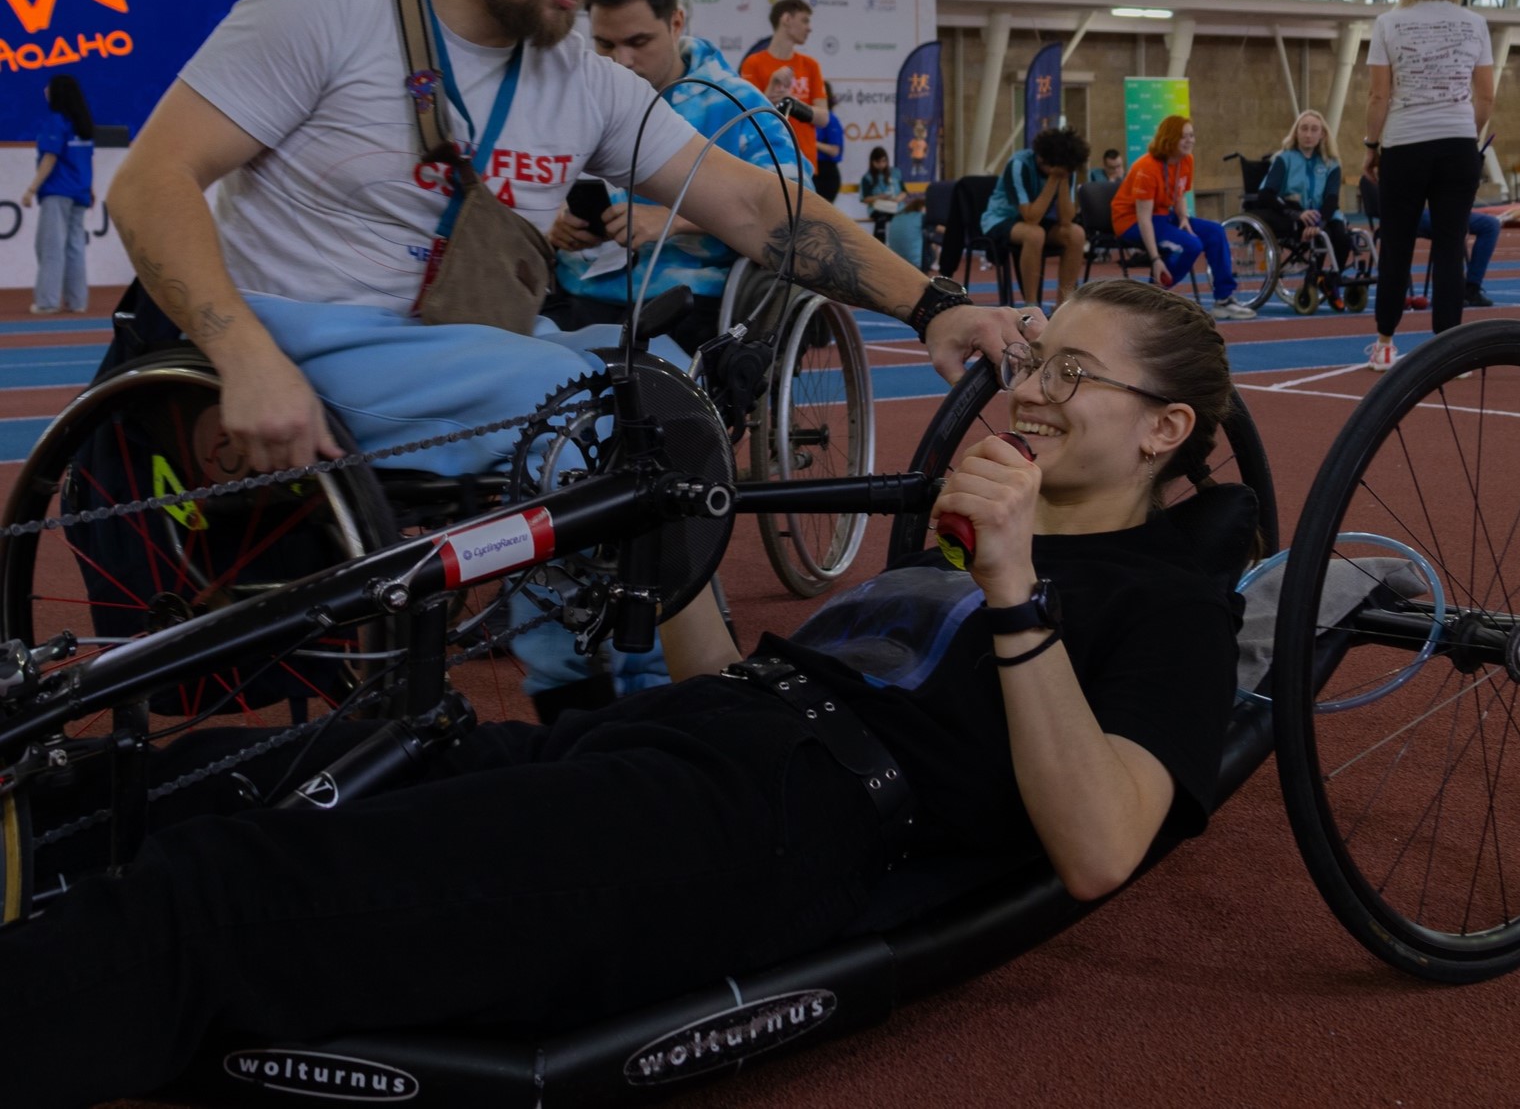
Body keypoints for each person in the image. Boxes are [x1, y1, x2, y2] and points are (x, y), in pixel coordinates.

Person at [0, 280, 1243, 1109]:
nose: (1030, 389)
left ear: (1163, 429)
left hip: (765, 826)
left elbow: (1100, 848)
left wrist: (1016, 587)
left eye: (1074, 373)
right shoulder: (961, 539)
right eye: (1035, 359)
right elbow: (730, 676)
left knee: (232, 896)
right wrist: (671, 551)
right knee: (207, 776)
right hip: (678, 737)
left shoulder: (1168, 603)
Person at [105, 0, 1019, 545]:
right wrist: (246, 356)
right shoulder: (325, 5)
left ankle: (662, 684)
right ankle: (591, 678)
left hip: (455, 347)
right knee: (594, 408)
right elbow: (151, 181)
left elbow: (749, 201)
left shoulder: (582, 81)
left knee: (673, 391)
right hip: (300, 341)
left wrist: (933, 304)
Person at [550, 0, 802, 356]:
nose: (622, 61)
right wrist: (554, 219)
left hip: (688, 303)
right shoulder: (579, 95)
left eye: (639, 41)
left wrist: (675, 219)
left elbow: (792, 205)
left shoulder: (738, 104)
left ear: (676, 23)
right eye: (605, 44)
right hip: (579, 292)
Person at [1361, 0, 1494, 371]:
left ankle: (1385, 343)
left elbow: (1379, 95)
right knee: (1451, 247)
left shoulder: (1389, 23)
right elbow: (1486, 96)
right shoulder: (1475, 23)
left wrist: (1371, 146)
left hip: (1405, 145)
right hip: (1458, 145)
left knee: (1396, 246)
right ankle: (1451, 354)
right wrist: (1466, 135)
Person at [1113, 117, 1256, 323]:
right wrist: (1155, 259)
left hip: (1163, 216)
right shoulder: (1147, 167)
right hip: (1132, 221)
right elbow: (1144, 218)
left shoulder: (1186, 160)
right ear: (1169, 139)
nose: (1190, 140)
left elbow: (1179, 193)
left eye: (1191, 135)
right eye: (1184, 137)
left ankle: (1224, 299)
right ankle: (1153, 296)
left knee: (1215, 231)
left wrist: (1183, 217)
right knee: (1191, 245)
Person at [982, 126, 1090, 308]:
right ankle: (1031, 305)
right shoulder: (1019, 165)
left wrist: (1063, 179)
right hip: (1001, 219)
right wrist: (1053, 180)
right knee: (1035, 234)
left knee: (1076, 234)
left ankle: (1064, 304)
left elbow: (1066, 220)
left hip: (1035, 221)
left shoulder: (1065, 169)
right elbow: (1030, 217)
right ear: (1042, 159)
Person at [21, 72, 95, 316]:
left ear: (58, 93)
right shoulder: (83, 124)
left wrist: (31, 189)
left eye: (49, 87)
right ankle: (77, 301)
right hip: (79, 192)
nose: (45, 90)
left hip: (58, 192)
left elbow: (50, 158)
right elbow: (86, 160)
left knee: (50, 247)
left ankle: (47, 301)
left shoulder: (56, 122)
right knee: (75, 248)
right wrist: (90, 188)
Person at [739, 0, 828, 175]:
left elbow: (823, 117)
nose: (809, 28)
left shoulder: (810, 65)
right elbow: (746, 116)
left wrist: (792, 103)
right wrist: (769, 91)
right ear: (786, 19)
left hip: (804, 163)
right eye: (804, 20)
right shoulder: (753, 63)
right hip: (765, 160)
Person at [1261, 109, 1351, 285]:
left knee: (1342, 238)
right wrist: (1297, 214)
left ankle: (1332, 281)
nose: (1308, 134)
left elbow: (1332, 198)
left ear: (1322, 134)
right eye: (1304, 128)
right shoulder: (1284, 159)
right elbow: (1266, 194)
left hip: (1324, 214)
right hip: (1295, 213)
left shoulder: (1332, 163)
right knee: (1323, 236)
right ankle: (1312, 282)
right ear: (1296, 132)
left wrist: (1318, 223)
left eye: (1314, 129)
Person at [860, 144, 902, 242]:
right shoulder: (867, 177)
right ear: (872, 162)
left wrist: (897, 199)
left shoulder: (895, 172)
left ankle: (898, 243)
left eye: (884, 161)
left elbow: (904, 191)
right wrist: (879, 197)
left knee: (904, 218)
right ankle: (879, 244)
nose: (881, 165)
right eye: (878, 162)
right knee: (881, 218)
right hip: (877, 208)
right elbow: (865, 198)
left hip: (895, 206)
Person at [815, 83, 845, 205]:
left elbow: (834, 150)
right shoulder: (808, 119)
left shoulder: (831, 120)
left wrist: (811, 143)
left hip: (826, 173)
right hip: (813, 170)